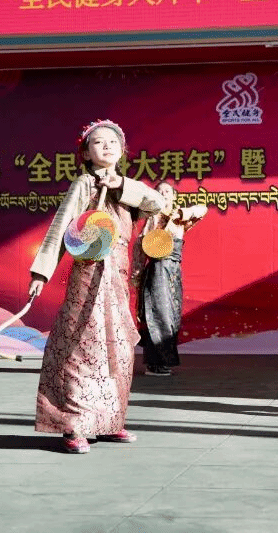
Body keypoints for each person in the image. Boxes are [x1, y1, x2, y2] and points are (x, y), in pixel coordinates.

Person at [28, 119, 167, 454]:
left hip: (118, 277)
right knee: (81, 344)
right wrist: (41, 273)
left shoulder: (128, 188)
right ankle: (74, 425)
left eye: (113, 142)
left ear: (122, 151)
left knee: (116, 347)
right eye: (98, 142)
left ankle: (108, 422)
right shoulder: (83, 185)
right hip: (88, 274)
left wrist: (120, 184)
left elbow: (157, 203)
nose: (106, 146)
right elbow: (61, 227)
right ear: (86, 153)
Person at [132, 181, 209, 376]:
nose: (163, 193)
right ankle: (154, 363)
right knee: (159, 315)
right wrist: (137, 273)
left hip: (173, 271)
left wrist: (181, 214)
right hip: (158, 269)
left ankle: (163, 361)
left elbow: (203, 209)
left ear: (174, 195)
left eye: (167, 191)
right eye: (159, 191)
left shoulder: (180, 216)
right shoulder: (153, 216)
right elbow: (140, 245)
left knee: (172, 316)